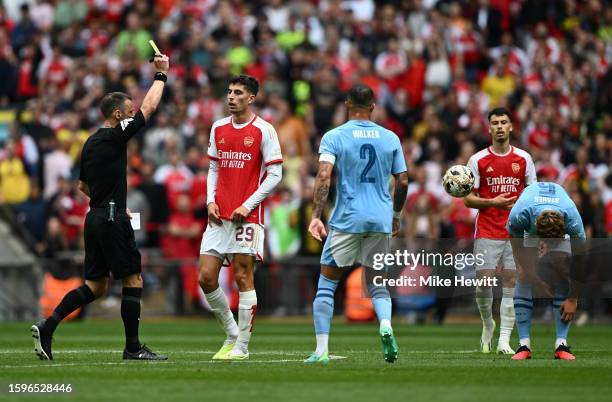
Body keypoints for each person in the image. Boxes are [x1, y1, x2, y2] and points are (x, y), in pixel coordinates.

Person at [31, 54, 171, 361]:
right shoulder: (114, 136)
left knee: (95, 286)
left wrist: (106, 198)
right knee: (133, 278)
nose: (134, 115)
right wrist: (161, 75)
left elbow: (83, 187)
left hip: (94, 217)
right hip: (110, 217)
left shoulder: (91, 142)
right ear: (119, 114)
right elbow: (149, 108)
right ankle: (133, 348)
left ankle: (48, 325)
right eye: (129, 112)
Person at [306, 84, 409, 364]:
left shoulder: (334, 136)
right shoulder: (390, 138)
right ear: (373, 107)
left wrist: (316, 215)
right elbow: (402, 181)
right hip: (380, 218)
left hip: (347, 219)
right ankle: (385, 325)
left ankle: (321, 351)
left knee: (327, 284)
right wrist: (396, 215)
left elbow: (324, 176)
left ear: (347, 105)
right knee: (377, 285)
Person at [198, 75, 283, 360]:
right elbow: (213, 169)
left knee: (243, 277)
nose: (231, 97)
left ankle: (243, 348)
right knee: (206, 278)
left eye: (237, 93)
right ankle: (232, 334)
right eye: (229, 92)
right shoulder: (218, 127)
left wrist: (247, 205)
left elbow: (275, 175)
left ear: (251, 98)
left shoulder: (264, 130)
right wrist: (210, 201)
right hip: (218, 215)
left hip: (247, 217)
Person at [464, 107, 536, 354]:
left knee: (510, 282)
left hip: (515, 232)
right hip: (487, 229)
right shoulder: (477, 160)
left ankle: (504, 340)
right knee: (483, 283)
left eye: (504, 122)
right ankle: (487, 323)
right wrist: (492, 203)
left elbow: (532, 194)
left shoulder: (524, 159)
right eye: (495, 123)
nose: (500, 127)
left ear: (511, 126)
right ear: (489, 128)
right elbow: (468, 199)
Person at [507, 182, 586, 360]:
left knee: (563, 273)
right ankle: (524, 346)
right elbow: (517, 247)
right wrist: (528, 271)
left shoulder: (572, 220)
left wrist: (573, 299)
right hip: (530, 225)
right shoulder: (520, 215)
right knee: (524, 277)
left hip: (558, 217)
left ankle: (561, 344)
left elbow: (581, 261)